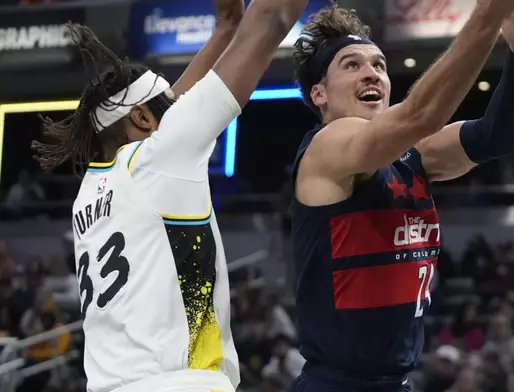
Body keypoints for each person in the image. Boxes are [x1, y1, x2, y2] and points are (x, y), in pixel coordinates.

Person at [30, 0, 311, 390]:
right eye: (167, 106)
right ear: (142, 119)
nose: (179, 106)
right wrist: (236, 30)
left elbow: (167, 107)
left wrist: (225, 30)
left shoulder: (93, 188)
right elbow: (275, 17)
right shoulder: (158, 156)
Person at [289, 0, 514, 391]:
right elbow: (420, 115)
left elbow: (495, 137)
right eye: (352, 65)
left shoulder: (413, 154)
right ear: (319, 94)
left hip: (397, 382)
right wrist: (486, 16)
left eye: (379, 65)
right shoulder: (326, 147)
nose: (371, 74)